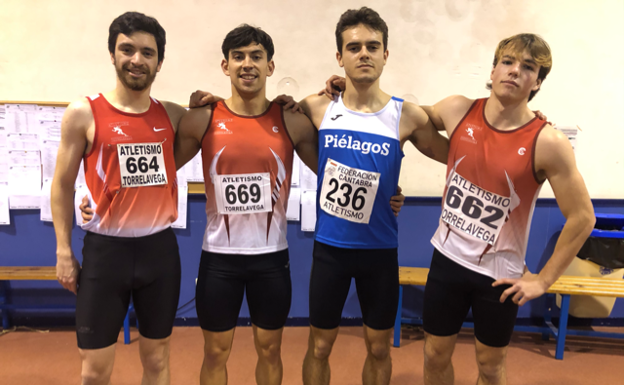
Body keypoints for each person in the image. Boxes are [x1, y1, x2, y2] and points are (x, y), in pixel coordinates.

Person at [418, 34, 595, 385]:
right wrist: (347, 91)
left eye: (528, 67)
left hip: (499, 276)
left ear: (538, 81)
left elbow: (583, 217)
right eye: (508, 62)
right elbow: (401, 117)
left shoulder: (548, 142)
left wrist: (543, 279)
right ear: (494, 68)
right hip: (447, 262)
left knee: (489, 365)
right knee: (434, 355)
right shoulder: (457, 109)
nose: (514, 71)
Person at [297, 7, 449, 385]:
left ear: (385, 54)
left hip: (380, 252)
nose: (363, 53)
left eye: (372, 46)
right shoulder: (318, 108)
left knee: (379, 348)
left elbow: (459, 154)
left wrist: (520, 121)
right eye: (353, 47)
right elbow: (258, 114)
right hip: (329, 250)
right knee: (318, 346)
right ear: (340, 57)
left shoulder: (406, 116)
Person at [52, 12, 188, 385]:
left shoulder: (173, 115)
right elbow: (62, 185)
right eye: (127, 49)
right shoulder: (84, 112)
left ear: (159, 61)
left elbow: (228, 119)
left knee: (158, 360)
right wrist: (64, 251)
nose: (137, 60)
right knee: (95, 370)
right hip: (105, 255)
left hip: (159, 253)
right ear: (112, 54)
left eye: (147, 52)